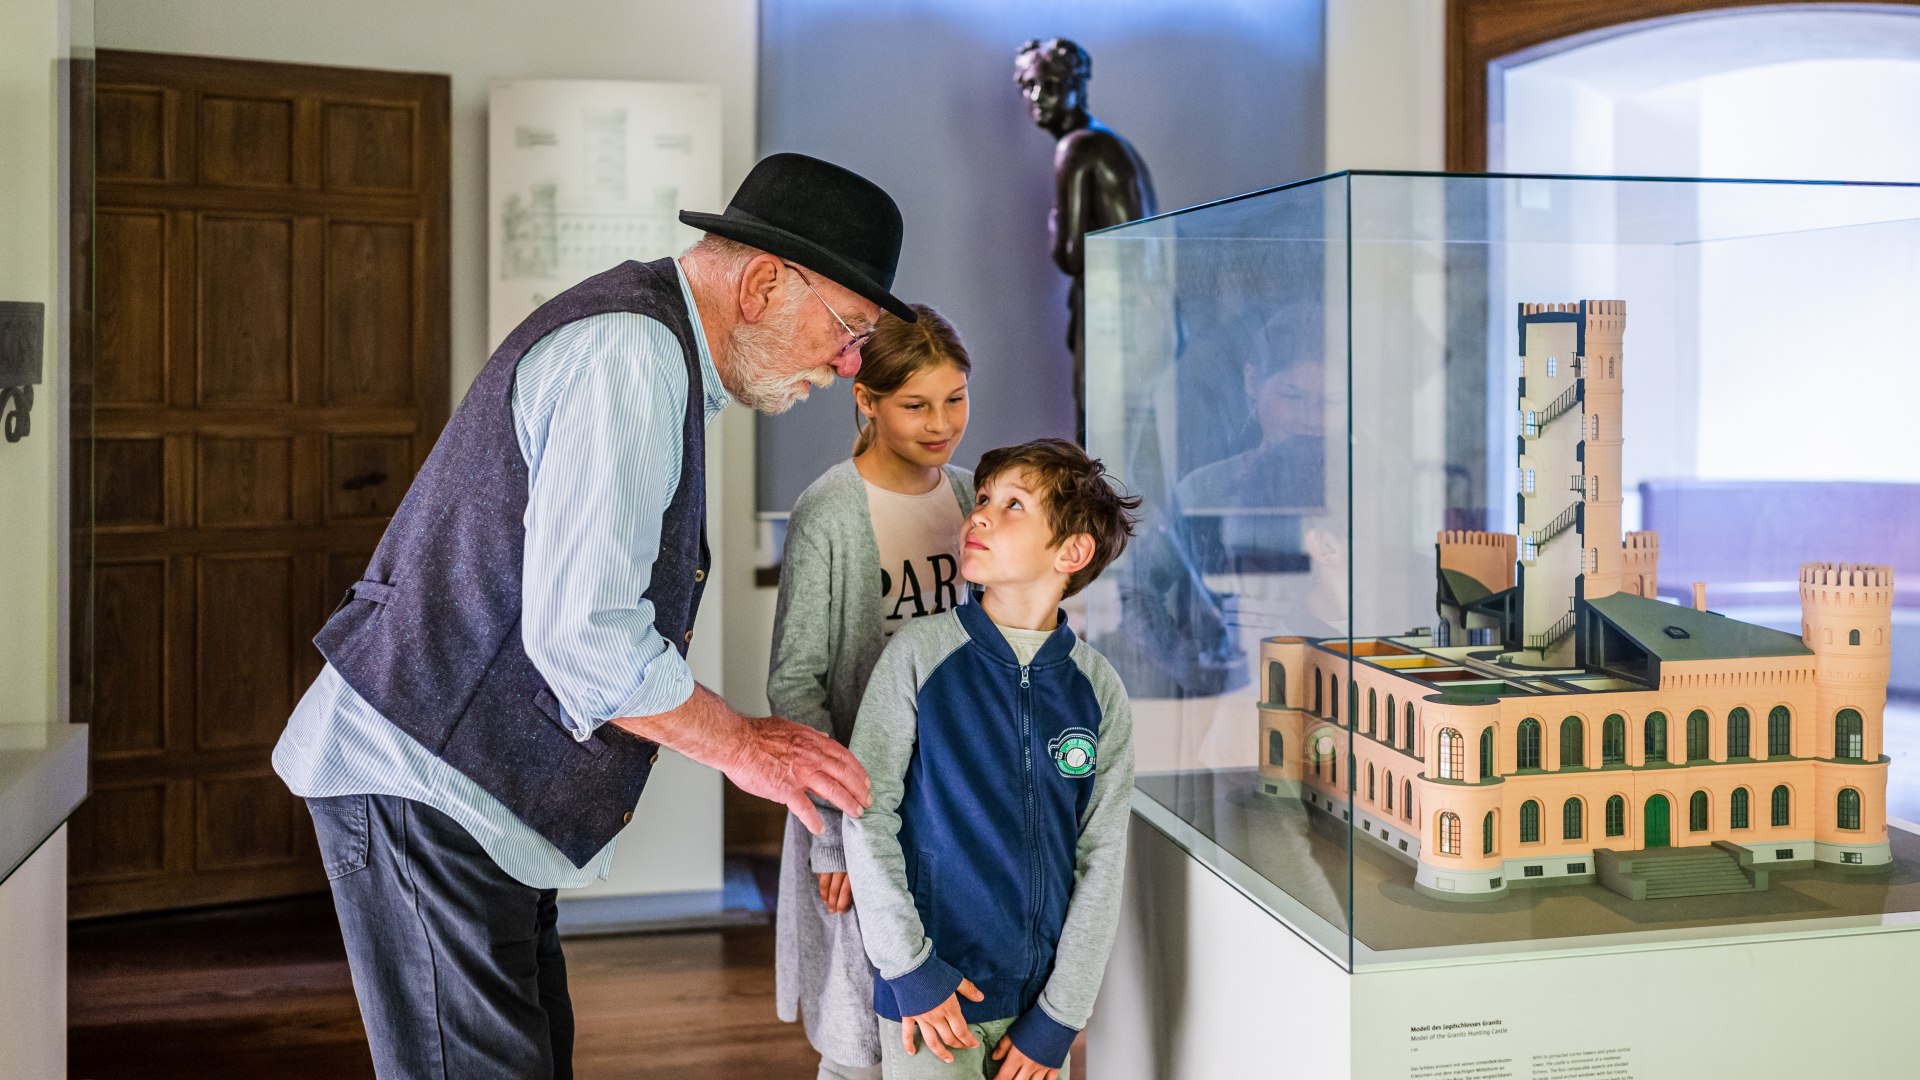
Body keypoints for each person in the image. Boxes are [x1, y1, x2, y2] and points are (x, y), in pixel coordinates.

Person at [272, 152, 914, 1079]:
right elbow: (586, 640)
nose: (851, 362)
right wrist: (746, 746)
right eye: (849, 328)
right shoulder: (634, 353)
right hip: (426, 780)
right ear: (768, 283)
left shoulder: (653, 348)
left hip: (466, 793)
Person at [843, 438, 1142, 1080]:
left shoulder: (1100, 691)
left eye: (1012, 505)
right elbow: (866, 815)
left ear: (1072, 552)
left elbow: (1103, 860)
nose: (979, 515)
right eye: (981, 499)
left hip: (1038, 1013)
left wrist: (1062, 1017)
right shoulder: (920, 657)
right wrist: (910, 969)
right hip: (930, 996)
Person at [769, 305, 976, 1080]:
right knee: (859, 1027)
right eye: (916, 404)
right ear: (867, 402)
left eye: (955, 398)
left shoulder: (969, 496)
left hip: (952, 800)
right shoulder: (829, 511)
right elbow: (796, 680)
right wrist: (832, 834)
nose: (942, 422)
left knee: (947, 1010)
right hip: (859, 807)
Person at [1013, 37, 1156, 442]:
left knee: (1102, 444)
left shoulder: (1077, 147)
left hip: (1115, 312)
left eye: (1051, 85)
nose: (1038, 97)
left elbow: (1071, 256)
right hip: (1139, 312)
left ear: (1078, 85)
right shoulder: (1106, 140)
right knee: (1128, 445)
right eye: (1029, 86)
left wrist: (1054, 216)